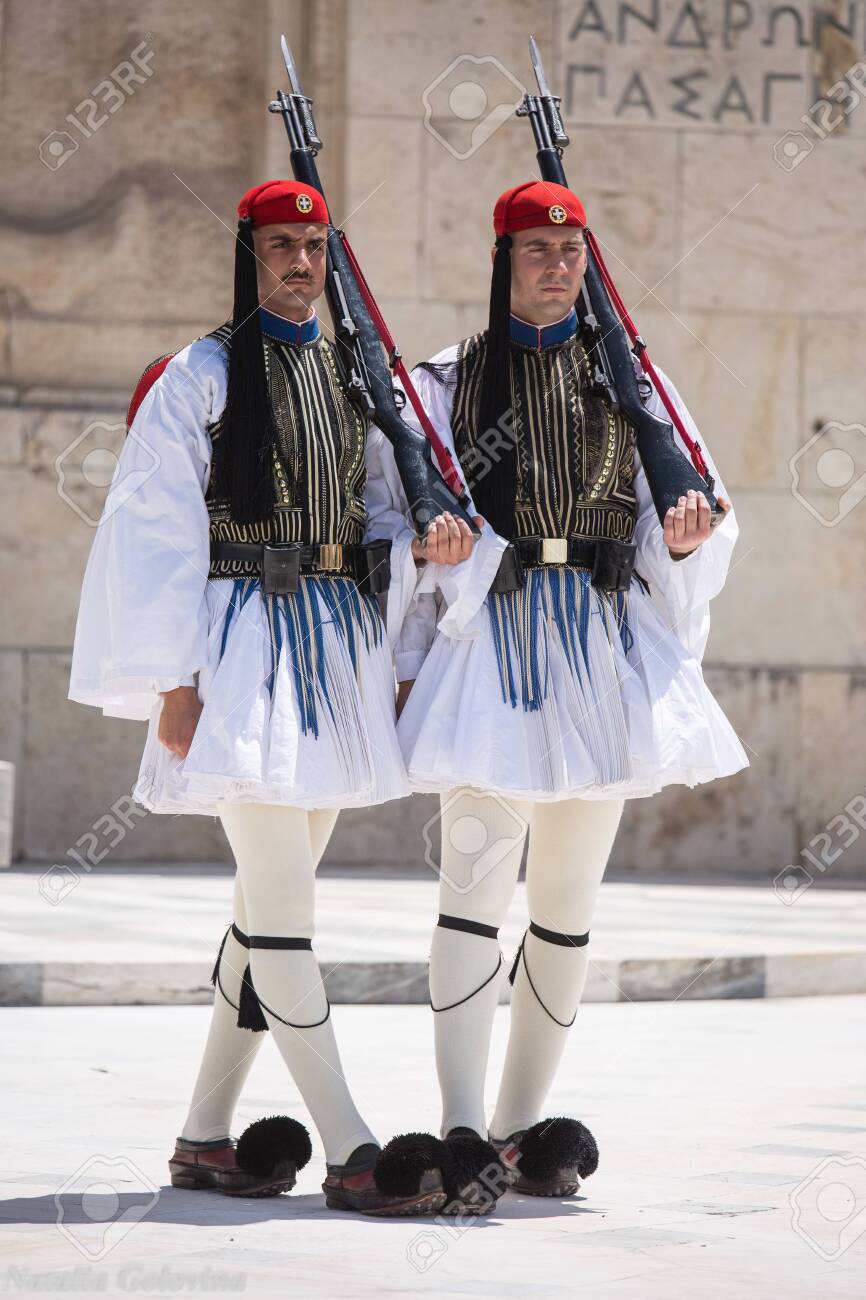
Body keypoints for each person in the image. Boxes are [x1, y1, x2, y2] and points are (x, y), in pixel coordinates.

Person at [67, 178, 468, 1216]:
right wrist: (174, 677)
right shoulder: (198, 375)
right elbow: (156, 529)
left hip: (333, 656)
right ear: (249, 254)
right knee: (287, 912)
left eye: (314, 247)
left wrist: (420, 563)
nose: (299, 262)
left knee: (261, 913)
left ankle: (205, 1140)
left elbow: (382, 511)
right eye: (281, 245)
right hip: (238, 650)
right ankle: (352, 1149)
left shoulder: (352, 376)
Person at [384, 180, 750, 1208]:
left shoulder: (633, 381)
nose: (558, 266)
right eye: (538, 250)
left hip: (593, 647)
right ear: (502, 257)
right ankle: (460, 1124)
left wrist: (681, 540)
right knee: (471, 897)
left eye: (572, 251)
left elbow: (688, 518)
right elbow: (399, 524)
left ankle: (515, 1127)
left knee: (564, 911)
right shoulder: (447, 380)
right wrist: (428, 591)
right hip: (489, 643)